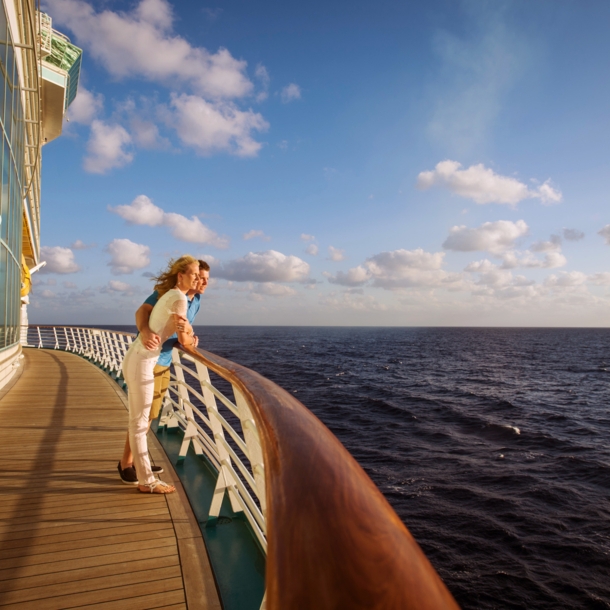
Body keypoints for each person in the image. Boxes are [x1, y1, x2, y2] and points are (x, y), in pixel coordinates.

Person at [117, 260, 210, 485]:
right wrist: (146, 330)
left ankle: (139, 461)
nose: (203, 282)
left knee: (151, 414)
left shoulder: (195, 300)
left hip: (164, 360)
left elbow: (184, 329)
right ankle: (127, 464)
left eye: (206, 279)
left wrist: (191, 335)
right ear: (185, 276)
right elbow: (143, 311)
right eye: (199, 276)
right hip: (151, 358)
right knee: (144, 417)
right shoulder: (169, 294)